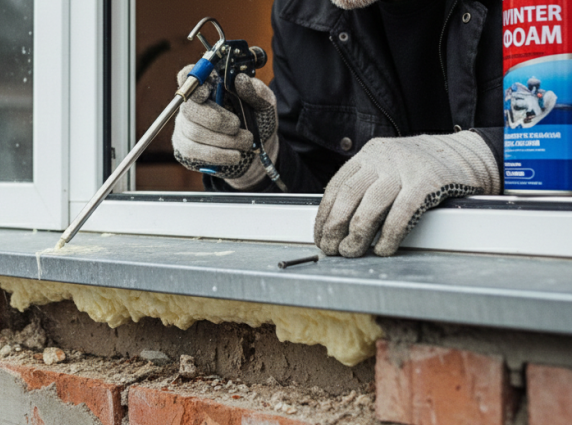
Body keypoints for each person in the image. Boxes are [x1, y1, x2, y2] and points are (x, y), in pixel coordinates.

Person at [172, 0, 503, 257]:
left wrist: (480, 155)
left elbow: (550, 123)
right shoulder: (300, 11)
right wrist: (257, 162)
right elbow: (316, 207)